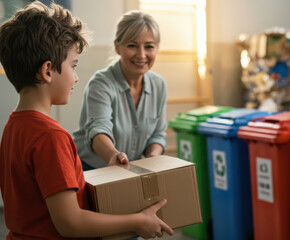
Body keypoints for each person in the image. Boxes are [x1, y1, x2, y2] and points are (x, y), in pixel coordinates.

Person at [0, 2, 173, 239]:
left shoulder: (14, 125)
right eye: (73, 65)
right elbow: (71, 223)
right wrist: (137, 222)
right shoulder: (52, 137)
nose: (77, 76)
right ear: (48, 71)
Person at [72, 10, 167, 170]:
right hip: (91, 168)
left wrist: (152, 158)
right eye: (132, 46)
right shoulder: (101, 83)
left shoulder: (159, 85)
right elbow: (98, 130)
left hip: (129, 169)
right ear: (118, 47)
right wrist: (113, 156)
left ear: (157, 48)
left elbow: (158, 134)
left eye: (149, 47)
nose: (141, 55)